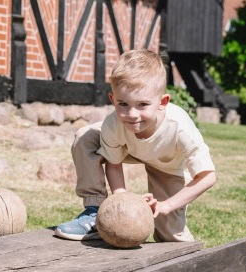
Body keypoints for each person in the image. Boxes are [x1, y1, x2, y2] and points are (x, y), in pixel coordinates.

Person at [55, 49, 216, 242]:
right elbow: (113, 164)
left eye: (142, 105)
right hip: (129, 149)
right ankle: (96, 212)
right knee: (85, 136)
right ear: (113, 100)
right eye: (123, 104)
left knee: (171, 237)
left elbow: (207, 177)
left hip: (168, 167)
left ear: (162, 102)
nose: (132, 114)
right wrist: (121, 200)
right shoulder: (113, 124)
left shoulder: (179, 125)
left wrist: (166, 205)